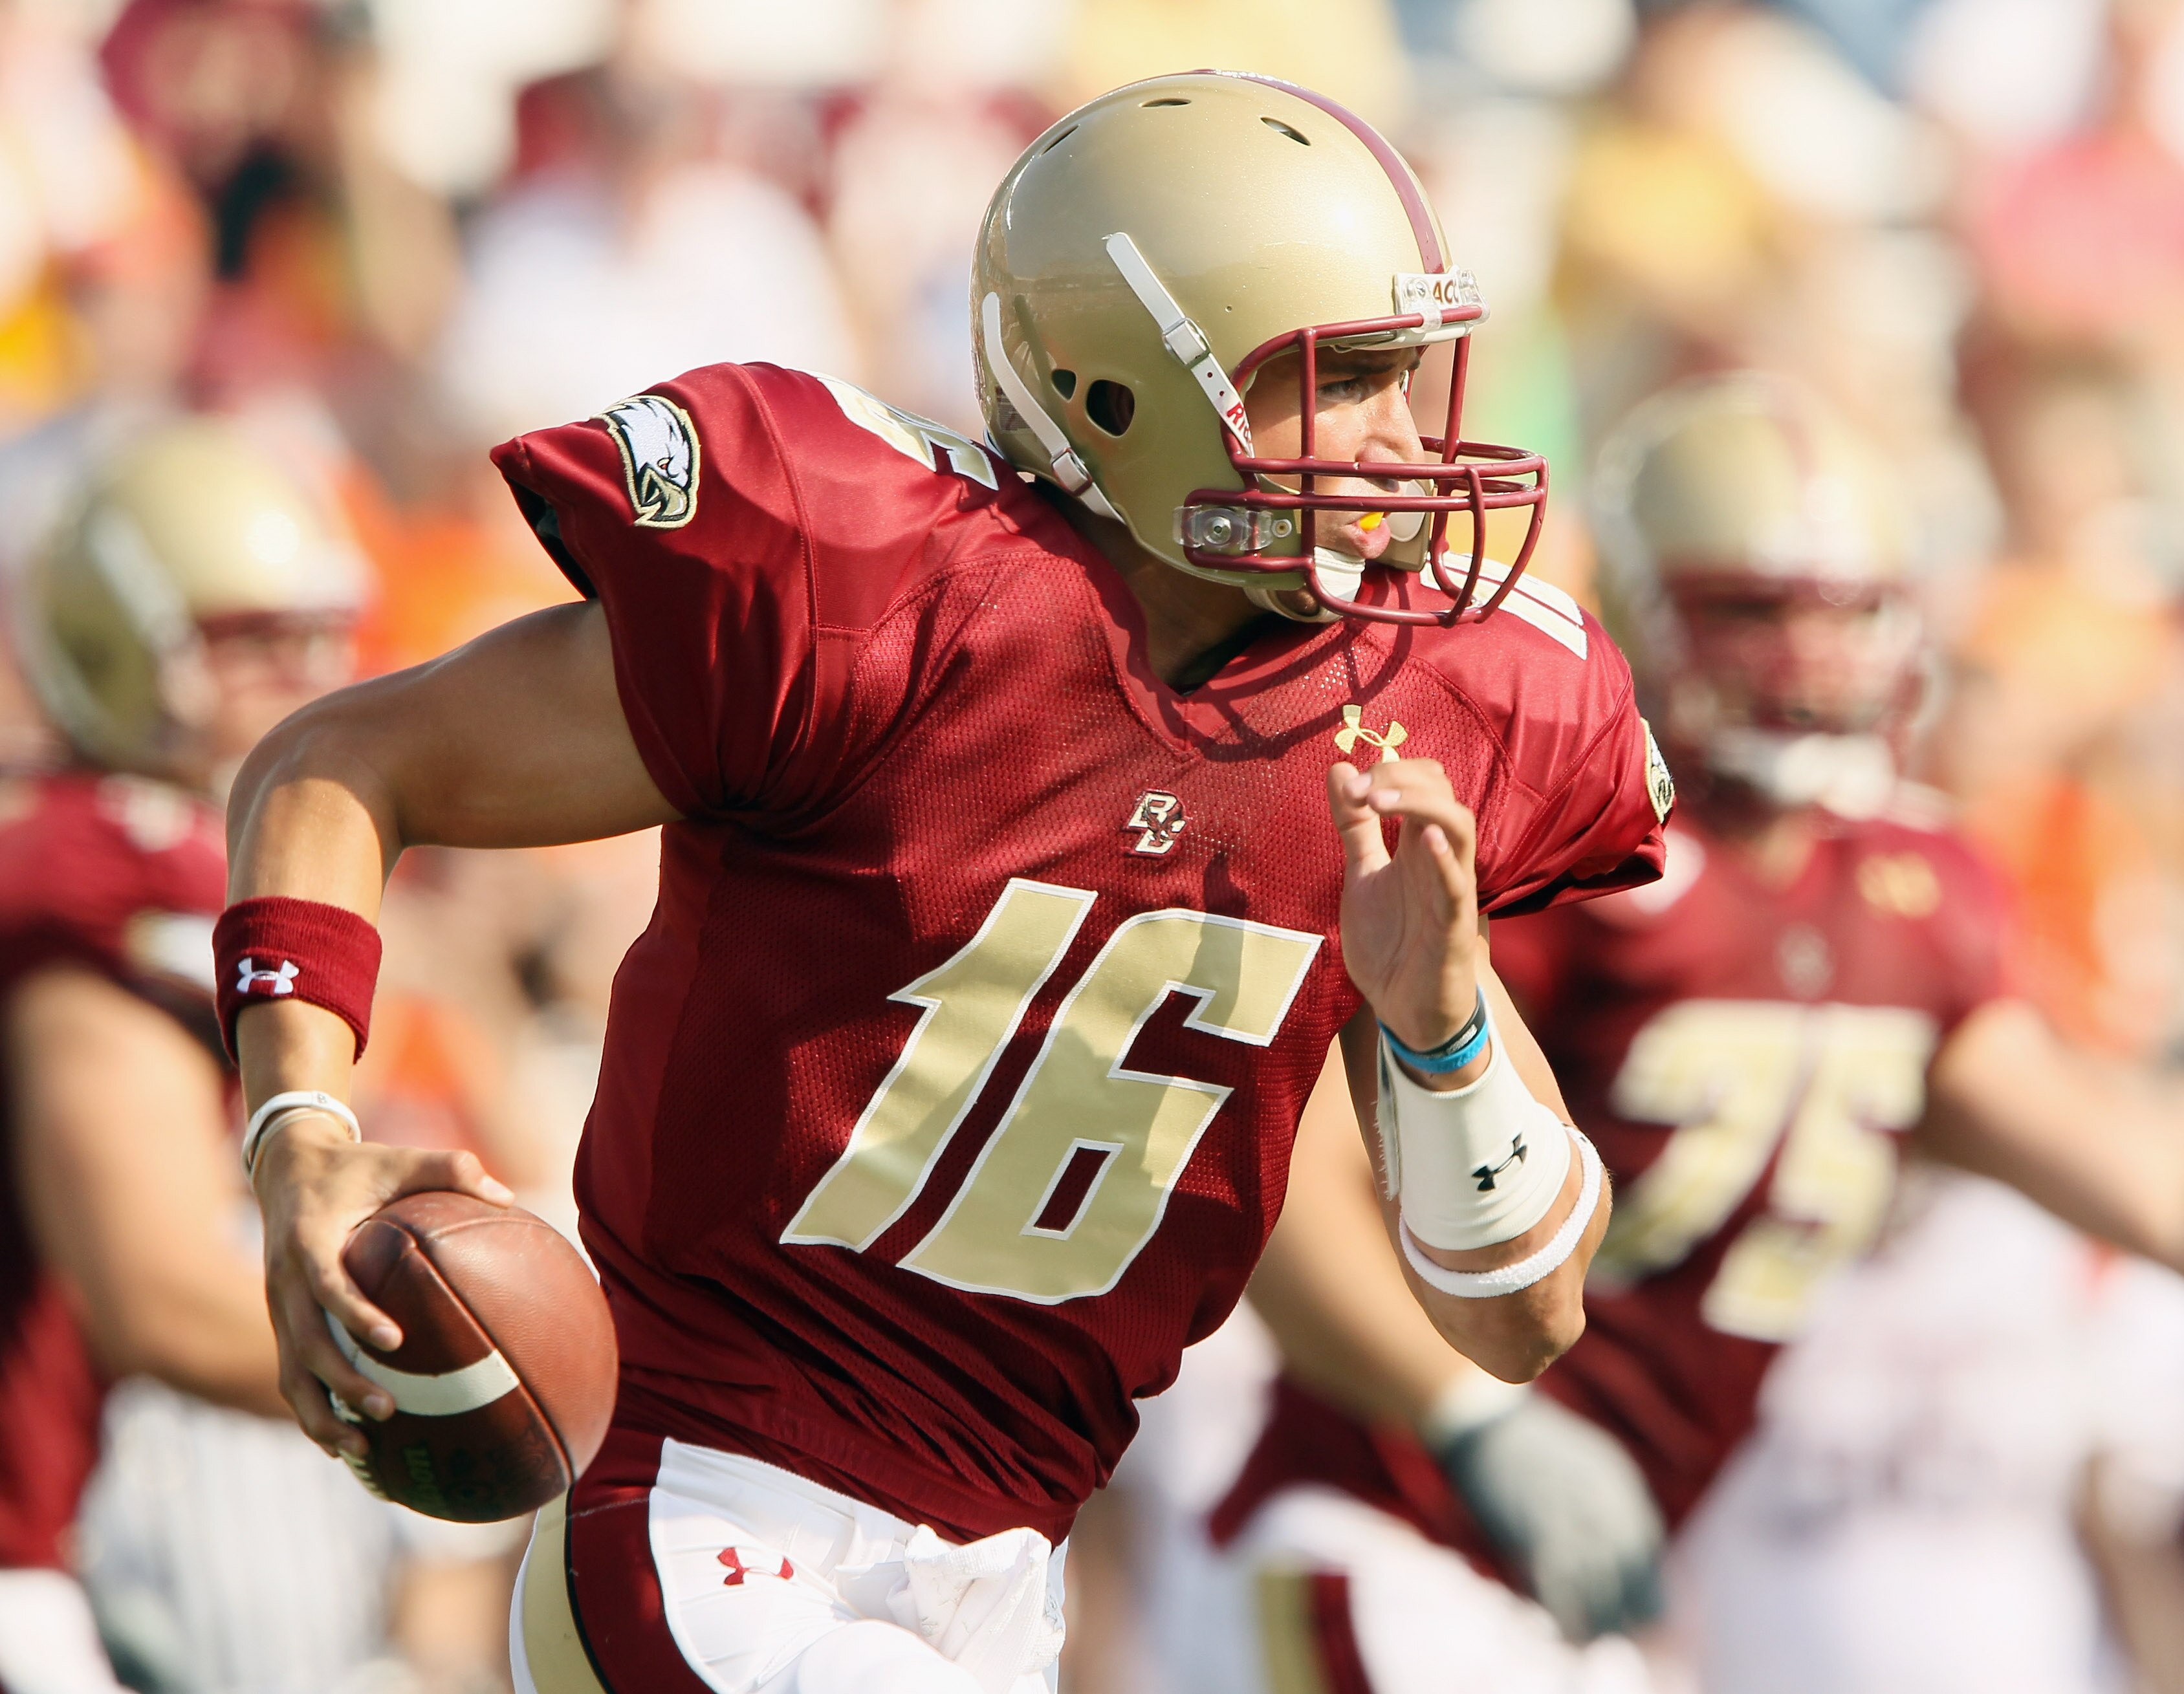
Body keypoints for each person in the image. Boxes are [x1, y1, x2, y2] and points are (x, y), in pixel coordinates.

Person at [224, 71, 1672, 1694]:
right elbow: (340, 764)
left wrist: (1441, 1028)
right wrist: (300, 1134)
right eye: (1338, 381)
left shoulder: (1426, 711)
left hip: (1005, 1574)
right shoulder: (877, 591)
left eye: (1407, 373)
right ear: (1120, 390)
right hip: (705, 1505)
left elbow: (1520, 1314)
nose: (1404, 441)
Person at [1199, 372, 2184, 1691]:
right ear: (1644, 610)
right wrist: (1469, 1418)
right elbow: (1283, 1179)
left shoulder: (1910, 898)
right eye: (1754, 610)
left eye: (1847, 612)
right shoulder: (1566, 847)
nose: (1809, 656)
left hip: (1586, 1600)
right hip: (1394, 1532)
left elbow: (2171, 1189)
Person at [0, 417, 361, 1691]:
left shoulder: (72, 837)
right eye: (251, 641)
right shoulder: (108, 872)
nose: (299, 677)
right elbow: (155, 1292)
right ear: (122, 643)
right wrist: (455, 1372)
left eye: (317, 637)